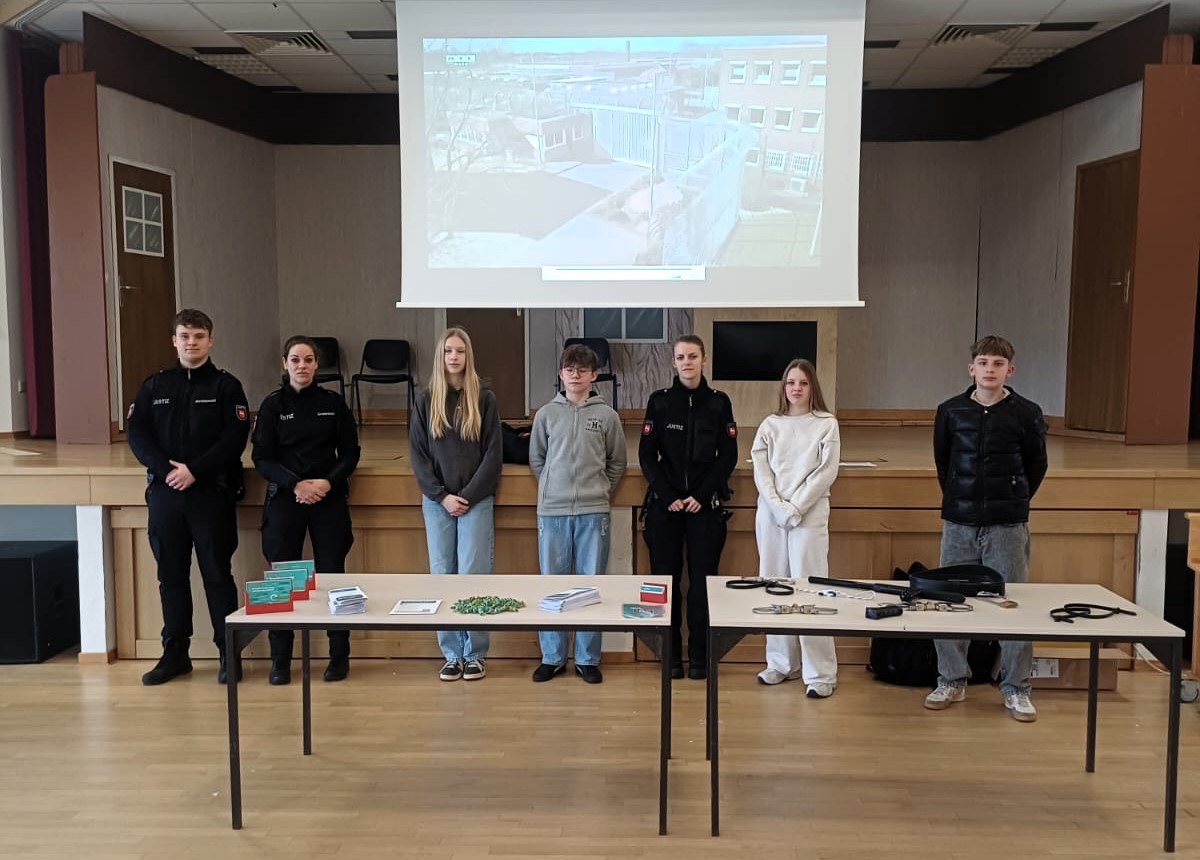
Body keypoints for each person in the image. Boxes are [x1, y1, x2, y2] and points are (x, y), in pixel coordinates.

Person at [925, 335, 1047, 722]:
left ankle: (1016, 688)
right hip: (959, 523)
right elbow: (944, 463)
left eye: (997, 363)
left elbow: (1036, 466)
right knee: (949, 603)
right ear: (971, 369)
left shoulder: (1026, 413)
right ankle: (951, 680)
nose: (989, 369)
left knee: (1013, 605)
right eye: (983, 362)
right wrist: (962, 500)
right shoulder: (950, 411)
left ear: (1010, 370)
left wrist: (1011, 498)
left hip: (1007, 525)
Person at [127, 309, 250, 685]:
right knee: (171, 577)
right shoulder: (155, 386)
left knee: (217, 575)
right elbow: (137, 434)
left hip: (210, 493)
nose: (191, 342)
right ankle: (175, 654)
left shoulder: (226, 387)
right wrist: (166, 470)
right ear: (174, 341)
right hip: (166, 494)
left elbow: (234, 438)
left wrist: (194, 470)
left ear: (210, 340)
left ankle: (228, 653)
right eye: (184, 336)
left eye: (198, 336)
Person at [252, 336, 361, 685]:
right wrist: (296, 485)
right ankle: (280, 660)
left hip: (327, 498)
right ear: (285, 363)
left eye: (309, 360)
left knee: (333, 577)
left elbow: (350, 453)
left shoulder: (333, 403)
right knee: (283, 580)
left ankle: (338, 656)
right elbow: (261, 457)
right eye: (296, 360)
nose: (302, 366)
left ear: (317, 364)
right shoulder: (272, 406)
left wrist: (327, 483)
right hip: (287, 499)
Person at [638, 335, 737, 680]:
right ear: (674, 362)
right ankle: (670, 657)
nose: (687, 363)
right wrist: (667, 495)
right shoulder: (660, 402)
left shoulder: (719, 403)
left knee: (701, 585)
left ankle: (699, 658)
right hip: (666, 507)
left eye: (693, 356)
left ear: (704, 360)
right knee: (664, 583)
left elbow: (728, 456)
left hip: (703, 507)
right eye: (681, 357)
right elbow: (646, 455)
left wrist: (701, 494)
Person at [529, 343, 626, 684]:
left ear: (594, 375)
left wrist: (599, 489)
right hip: (552, 512)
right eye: (569, 370)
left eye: (582, 370)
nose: (575, 375)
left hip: (593, 511)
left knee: (590, 586)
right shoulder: (545, 414)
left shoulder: (607, 416)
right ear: (560, 374)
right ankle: (552, 657)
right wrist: (552, 486)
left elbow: (617, 462)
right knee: (552, 587)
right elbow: (537, 459)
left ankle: (587, 659)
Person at [410, 327, 502, 682]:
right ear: (441, 355)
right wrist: (442, 496)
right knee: (442, 576)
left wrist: (468, 496)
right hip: (438, 503)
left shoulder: (485, 398)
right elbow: (419, 456)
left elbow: (493, 455)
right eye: (448, 350)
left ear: (468, 356)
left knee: (473, 575)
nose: (454, 356)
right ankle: (451, 654)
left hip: (475, 500)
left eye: (460, 351)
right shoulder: (425, 400)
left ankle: (475, 653)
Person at [750, 358, 840, 699]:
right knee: (773, 584)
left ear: (812, 386)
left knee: (810, 587)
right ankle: (781, 662)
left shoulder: (826, 424)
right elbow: (762, 471)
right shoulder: (770, 424)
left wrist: (796, 508)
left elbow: (825, 472)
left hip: (809, 514)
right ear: (783, 387)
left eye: (803, 382)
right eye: (791, 382)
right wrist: (779, 507)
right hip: (772, 514)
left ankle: (820, 672)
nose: (796, 388)